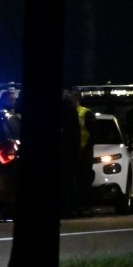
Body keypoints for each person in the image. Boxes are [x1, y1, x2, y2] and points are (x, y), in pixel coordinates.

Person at [70, 89, 97, 216]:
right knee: (73, 180)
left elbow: (94, 134)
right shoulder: (67, 113)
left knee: (85, 179)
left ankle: (87, 206)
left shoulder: (86, 113)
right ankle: (76, 206)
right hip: (72, 152)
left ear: (75, 99)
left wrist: (86, 148)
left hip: (84, 151)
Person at [60, 89, 81, 218]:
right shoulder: (70, 110)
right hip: (71, 152)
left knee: (66, 182)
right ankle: (71, 208)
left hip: (66, 152)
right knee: (70, 181)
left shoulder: (66, 110)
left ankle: (68, 208)